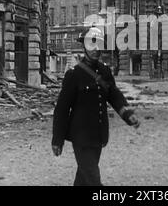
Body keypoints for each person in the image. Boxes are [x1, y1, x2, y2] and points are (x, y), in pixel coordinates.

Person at [52, 27, 140, 186]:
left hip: (98, 135)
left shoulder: (105, 71)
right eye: (91, 44)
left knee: (83, 179)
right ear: (84, 47)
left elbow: (114, 95)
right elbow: (62, 109)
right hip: (81, 137)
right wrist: (57, 139)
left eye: (98, 44)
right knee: (93, 180)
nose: (95, 49)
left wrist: (127, 114)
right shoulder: (74, 74)